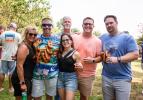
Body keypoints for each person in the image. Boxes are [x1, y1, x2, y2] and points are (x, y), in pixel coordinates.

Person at [100, 15, 139, 100]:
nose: (109, 25)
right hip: (106, 77)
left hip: (123, 78)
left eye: (111, 23)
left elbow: (135, 54)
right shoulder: (102, 37)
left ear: (117, 23)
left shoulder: (127, 38)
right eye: (106, 24)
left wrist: (118, 59)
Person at [74, 17, 102, 100]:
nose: (88, 25)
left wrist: (93, 60)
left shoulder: (97, 41)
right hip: (72, 73)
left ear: (93, 26)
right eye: (86, 24)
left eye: (90, 24)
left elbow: (100, 57)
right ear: (82, 25)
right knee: (69, 95)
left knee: (84, 97)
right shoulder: (74, 37)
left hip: (87, 75)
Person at [32, 17, 60, 100]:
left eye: (49, 25)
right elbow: (26, 46)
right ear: (41, 26)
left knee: (49, 95)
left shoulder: (58, 39)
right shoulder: (35, 38)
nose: (47, 27)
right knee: (37, 96)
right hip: (37, 73)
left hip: (52, 73)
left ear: (52, 26)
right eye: (44, 25)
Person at [11, 26, 37, 100]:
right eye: (30, 34)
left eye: (35, 35)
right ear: (26, 34)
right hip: (21, 78)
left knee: (28, 97)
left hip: (28, 77)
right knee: (23, 98)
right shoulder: (24, 47)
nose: (33, 36)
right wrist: (22, 83)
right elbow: (19, 65)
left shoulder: (31, 45)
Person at [57, 33, 83, 100]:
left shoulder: (76, 54)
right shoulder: (59, 52)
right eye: (63, 40)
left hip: (71, 78)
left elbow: (79, 69)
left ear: (71, 41)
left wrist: (80, 67)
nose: (65, 42)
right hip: (60, 78)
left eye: (67, 40)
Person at [0, 22, 21, 92]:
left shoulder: (2, 34)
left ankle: (0, 87)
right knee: (11, 72)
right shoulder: (18, 35)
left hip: (4, 56)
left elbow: (1, 43)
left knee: (2, 72)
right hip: (13, 56)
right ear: (15, 28)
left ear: (9, 27)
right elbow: (20, 45)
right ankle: (11, 88)